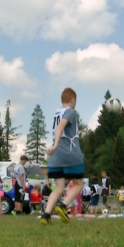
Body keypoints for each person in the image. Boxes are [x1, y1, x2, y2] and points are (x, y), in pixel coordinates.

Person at [41, 87, 85, 226]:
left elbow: (58, 127)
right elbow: (61, 127)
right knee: (79, 184)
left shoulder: (57, 113)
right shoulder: (70, 111)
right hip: (69, 153)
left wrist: (55, 148)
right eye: (75, 101)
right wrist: (55, 144)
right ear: (72, 100)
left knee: (59, 186)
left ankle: (46, 215)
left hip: (56, 157)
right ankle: (63, 205)